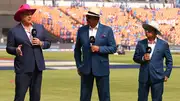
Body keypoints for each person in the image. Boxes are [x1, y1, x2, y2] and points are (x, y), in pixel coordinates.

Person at [6, 4, 51, 101]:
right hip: (23, 69)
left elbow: (48, 43)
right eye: (27, 14)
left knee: (36, 97)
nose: (30, 16)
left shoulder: (39, 28)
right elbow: (9, 48)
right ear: (21, 16)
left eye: (30, 14)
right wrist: (16, 50)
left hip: (37, 68)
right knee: (20, 96)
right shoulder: (13, 31)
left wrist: (41, 43)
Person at [74, 7, 116, 101]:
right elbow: (77, 50)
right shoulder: (82, 30)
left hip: (102, 68)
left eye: (89, 17)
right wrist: (79, 65)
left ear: (97, 19)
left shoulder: (107, 30)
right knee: (84, 97)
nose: (87, 19)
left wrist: (99, 48)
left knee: (104, 97)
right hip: (86, 69)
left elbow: (113, 48)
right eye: (87, 16)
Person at [133, 21, 173, 101]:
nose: (147, 31)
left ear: (155, 32)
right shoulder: (141, 43)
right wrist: (143, 58)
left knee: (157, 99)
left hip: (158, 78)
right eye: (146, 29)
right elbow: (135, 57)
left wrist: (167, 74)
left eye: (149, 30)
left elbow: (169, 61)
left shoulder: (163, 44)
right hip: (144, 78)